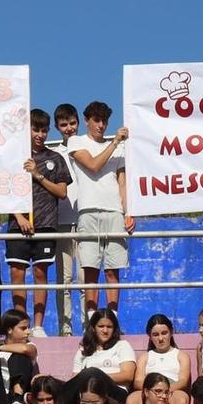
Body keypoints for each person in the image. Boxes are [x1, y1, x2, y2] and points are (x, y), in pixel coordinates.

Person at [65, 101, 131, 316]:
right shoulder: (76, 141)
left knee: (113, 270)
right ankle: (92, 319)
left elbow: (123, 183)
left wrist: (128, 212)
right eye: (96, 120)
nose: (101, 125)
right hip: (88, 211)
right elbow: (93, 165)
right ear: (87, 121)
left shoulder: (119, 147)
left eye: (104, 120)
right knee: (90, 270)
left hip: (114, 212)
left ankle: (113, 318)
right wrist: (114, 143)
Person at [12, 108, 71, 336]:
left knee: (40, 274)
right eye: (36, 129)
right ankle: (18, 325)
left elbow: (62, 191)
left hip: (46, 224)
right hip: (18, 225)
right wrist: (19, 216)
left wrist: (37, 174)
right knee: (17, 273)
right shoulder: (15, 157)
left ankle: (37, 326)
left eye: (44, 130)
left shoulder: (55, 158)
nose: (40, 134)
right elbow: (3, 190)